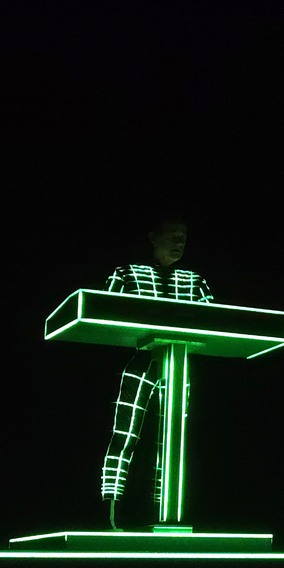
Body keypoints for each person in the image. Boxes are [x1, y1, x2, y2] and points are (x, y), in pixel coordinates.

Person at [99, 218, 213, 529]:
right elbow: (104, 311)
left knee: (171, 444)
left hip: (178, 367)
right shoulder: (126, 274)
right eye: (173, 236)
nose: (180, 242)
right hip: (138, 362)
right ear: (153, 238)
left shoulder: (195, 282)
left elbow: (215, 321)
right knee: (124, 436)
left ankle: (163, 514)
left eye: (184, 237)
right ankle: (110, 513)